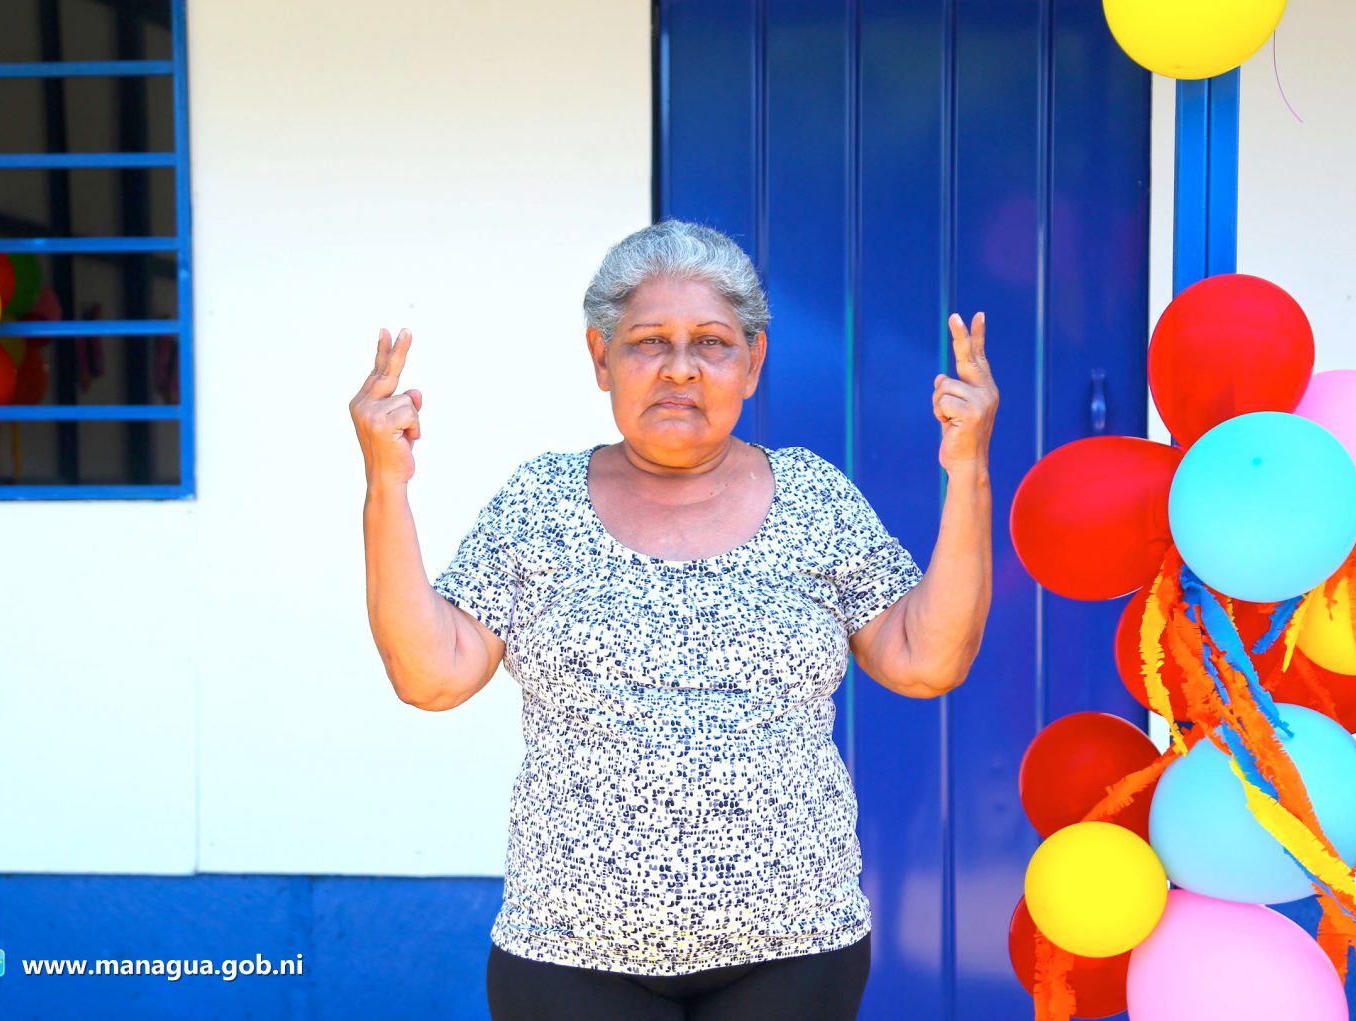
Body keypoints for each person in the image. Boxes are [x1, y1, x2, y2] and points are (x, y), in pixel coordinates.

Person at [351, 220, 997, 1020]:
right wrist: (386, 483)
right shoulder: (539, 504)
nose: (680, 368)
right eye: (649, 341)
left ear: (753, 361)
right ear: (601, 357)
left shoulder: (814, 498)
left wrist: (968, 469)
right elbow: (430, 674)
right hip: (569, 957)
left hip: (795, 950)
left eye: (713, 343)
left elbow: (927, 658)